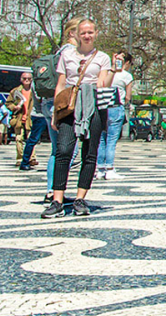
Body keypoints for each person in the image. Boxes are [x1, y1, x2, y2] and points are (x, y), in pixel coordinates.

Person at [42, 19, 114, 218]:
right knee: (63, 150)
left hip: (93, 105)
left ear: (96, 33)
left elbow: (103, 84)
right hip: (70, 104)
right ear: (77, 34)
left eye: (90, 32)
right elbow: (61, 84)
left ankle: (80, 198)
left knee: (89, 154)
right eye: (83, 32)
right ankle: (57, 200)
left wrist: (112, 73)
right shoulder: (66, 55)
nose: (87, 36)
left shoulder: (102, 58)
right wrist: (55, 114)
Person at [95, 52, 134, 179]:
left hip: (102, 106)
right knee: (111, 140)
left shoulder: (105, 72)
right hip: (116, 107)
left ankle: (100, 168)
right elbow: (128, 96)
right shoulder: (126, 76)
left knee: (101, 139)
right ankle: (110, 168)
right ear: (127, 62)